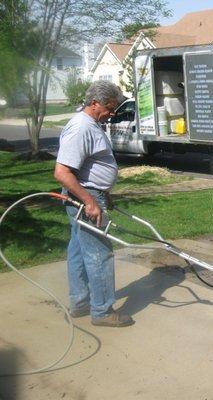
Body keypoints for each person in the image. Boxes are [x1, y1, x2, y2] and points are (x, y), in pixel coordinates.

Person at [54, 80, 134, 327]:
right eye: (110, 108)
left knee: (79, 250)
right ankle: (102, 311)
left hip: (89, 194)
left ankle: (81, 303)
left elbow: (90, 167)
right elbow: (62, 172)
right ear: (94, 102)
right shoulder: (81, 128)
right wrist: (90, 201)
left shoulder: (91, 124)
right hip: (85, 198)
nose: (112, 114)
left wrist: (104, 192)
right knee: (99, 253)